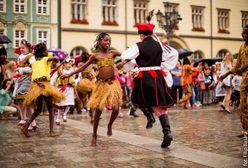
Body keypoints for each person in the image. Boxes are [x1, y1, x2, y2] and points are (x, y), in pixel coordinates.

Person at [118, 23, 178, 148]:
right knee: (158, 105)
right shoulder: (160, 46)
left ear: (141, 35)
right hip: (157, 75)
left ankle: (149, 116)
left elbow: (125, 56)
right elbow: (173, 54)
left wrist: (130, 65)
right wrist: (163, 66)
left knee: (137, 98)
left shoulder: (138, 46)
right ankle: (167, 132)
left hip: (144, 76)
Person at [62, 32, 123, 146]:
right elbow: (82, 68)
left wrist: (124, 62)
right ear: (100, 41)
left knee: (115, 108)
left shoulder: (113, 53)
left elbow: (127, 55)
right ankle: (94, 134)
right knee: (98, 111)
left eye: (109, 40)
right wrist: (68, 74)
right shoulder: (95, 56)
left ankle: (109, 125)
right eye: (105, 40)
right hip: (101, 84)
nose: (108, 42)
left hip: (113, 83)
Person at [21, 42, 65, 137]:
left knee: (38, 110)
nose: (47, 51)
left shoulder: (34, 61)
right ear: (42, 52)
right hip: (44, 86)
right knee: (50, 109)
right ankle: (51, 131)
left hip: (36, 86)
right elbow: (56, 59)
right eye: (45, 50)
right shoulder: (45, 59)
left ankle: (25, 126)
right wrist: (55, 59)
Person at [219, 25, 248, 136]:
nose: (244, 35)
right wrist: (224, 75)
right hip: (245, 81)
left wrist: (244, 67)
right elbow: (237, 67)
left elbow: (242, 67)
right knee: (243, 106)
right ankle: (245, 129)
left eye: (247, 34)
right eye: (243, 33)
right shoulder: (241, 47)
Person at [51, 58, 75, 125]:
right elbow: (53, 79)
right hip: (61, 88)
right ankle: (58, 117)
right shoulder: (59, 71)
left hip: (69, 88)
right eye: (68, 64)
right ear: (64, 63)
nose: (70, 66)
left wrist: (73, 82)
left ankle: (64, 114)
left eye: (71, 64)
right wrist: (51, 86)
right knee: (60, 104)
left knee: (69, 102)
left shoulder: (72, 71)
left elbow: (73, 78)